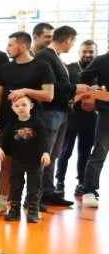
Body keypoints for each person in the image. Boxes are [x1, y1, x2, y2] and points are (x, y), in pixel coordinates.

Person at [0, 31, 54, 211]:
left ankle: (32, 204)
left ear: (23, 46)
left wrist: (25, 91)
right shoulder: (4, 68)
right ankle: (2, 203)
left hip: (32, 123)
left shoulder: (42, 67)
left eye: (10, 45)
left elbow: (49, 95)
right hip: (7, 121)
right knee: (6, 164)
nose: (7, 48)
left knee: (33, 167)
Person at [36, 26, 86, 207]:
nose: (72, 46)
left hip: (61, 111)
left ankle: (48, 192)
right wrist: (74, 88)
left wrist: (75, 93)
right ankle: (36, 194)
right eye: (73, 42)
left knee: (53, 154)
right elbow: (49, 86)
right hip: (50, 111)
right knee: (45, 154)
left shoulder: (55, 57)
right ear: (68, 40)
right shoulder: (45, 57)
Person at [0, 95, 51, 223]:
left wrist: (46, 152)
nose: (20, 108)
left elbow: (44, 137)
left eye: (24, 105)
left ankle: (33, 210)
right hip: (17, 161)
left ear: (31, 106)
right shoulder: (12, 123)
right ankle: (14, 210)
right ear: (12, 108)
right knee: (15, 186)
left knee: (34, 187)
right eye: (17, 106)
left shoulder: (37, 122)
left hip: (34, 161)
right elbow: (2, 136)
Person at [58, 40, 99, 200]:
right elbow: (63, 90)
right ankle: (59, 182)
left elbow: (104, 90)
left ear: (96, 53)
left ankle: (82, 183)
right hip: (71, 117)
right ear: (79, 52)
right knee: (65, 151)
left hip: (92, 118)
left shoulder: (100, 70)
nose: (88, 55)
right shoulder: (69, 68)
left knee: (85, 152)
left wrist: (94, 95)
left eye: (91, 52)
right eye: (85, 51)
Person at [76, 48, 109, 208]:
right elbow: (83, 77)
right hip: (106, 112)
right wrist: (89, 96)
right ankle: (89, 191)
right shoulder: (102, 60)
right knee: (99, 152)